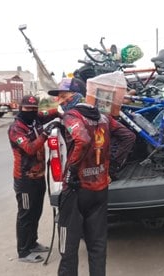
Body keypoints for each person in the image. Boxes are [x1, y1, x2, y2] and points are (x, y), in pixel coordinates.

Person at [48, 78, 135, 276]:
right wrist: (112, 168)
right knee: (97, 246)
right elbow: (129, 137)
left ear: (77, 95)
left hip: (76, 190)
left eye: (64, 96)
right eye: (59, 98)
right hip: (99, 189)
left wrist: (71, 171)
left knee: (68, 247)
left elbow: (83, 139)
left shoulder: (72, 116)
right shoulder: (103, 116)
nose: (60, 101)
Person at [7, 95, 59, 263]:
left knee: (36, 212)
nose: (31, 112)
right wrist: (45, 133)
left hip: (39, 176)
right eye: (27, 109)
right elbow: (29, 148)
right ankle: (23, 251)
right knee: (26, 214)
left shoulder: (36, 118)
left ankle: (33, 242)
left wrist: (62, 111)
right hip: (24, 179)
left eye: (34, 109)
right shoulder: (16, 128)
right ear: (20, 108)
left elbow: (51, 113)